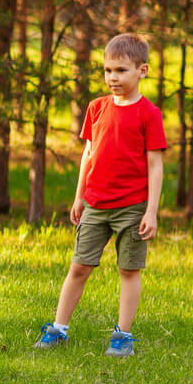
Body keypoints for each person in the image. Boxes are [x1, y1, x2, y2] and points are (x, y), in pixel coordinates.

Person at [35, 33, 166, 358]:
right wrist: (79, 197)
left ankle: (122, 337)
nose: (113, 78)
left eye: (121, 70)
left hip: (132, 208)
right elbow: (89, 154)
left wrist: (151, 211)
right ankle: (58, 329)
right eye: (108, 70)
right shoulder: (96, 108)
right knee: (79, 267)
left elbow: (155, 166)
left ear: (142, 71)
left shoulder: (149, 114)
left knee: (128, 270)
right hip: (95, 203)